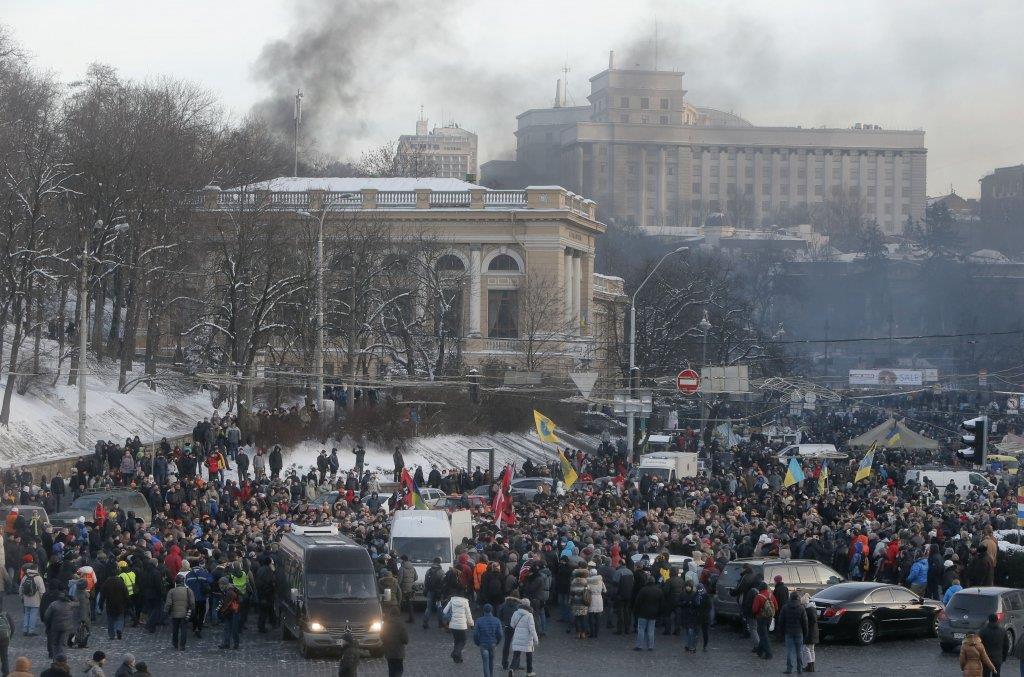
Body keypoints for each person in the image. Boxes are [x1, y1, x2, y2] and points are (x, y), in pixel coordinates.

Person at [779, 591, 808, 674]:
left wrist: (781, 632)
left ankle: (789, 669)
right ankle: (800, 669)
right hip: (799, 632)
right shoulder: (801, 608)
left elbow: (781, 621)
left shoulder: (785, 607)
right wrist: (805, 633)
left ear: (790, 598)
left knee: (789, 651)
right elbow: (805, 622)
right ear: (798, 598)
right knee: (799, 651)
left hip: (788, 632)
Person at [164, 572, 195, 650]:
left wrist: (166, 612)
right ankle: (182, 645)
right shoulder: (189, 591)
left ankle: (175, 643)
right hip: (185, 613)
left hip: (175, 614)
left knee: (175, 629)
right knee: (184, 629)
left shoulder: (171, 591)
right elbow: (192, 603)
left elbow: (168, 603)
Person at [633, 573, 663, 651]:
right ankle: (650, 646)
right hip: (653, 613)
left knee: (641, 629)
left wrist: (635, 611)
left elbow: (638, 602)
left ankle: (639, 645)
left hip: (642, 612)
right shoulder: (658, 591)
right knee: (651, 630)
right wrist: (659, 613)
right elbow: (661, 603)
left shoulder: (643, 590)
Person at [509, 598, 538, 676]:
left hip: (517, 637)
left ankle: (512, 668)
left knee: (516, 654)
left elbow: (512, 625)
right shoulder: (529, 615)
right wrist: (536, 639)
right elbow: (532, 629)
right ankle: (529, 672)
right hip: (527, 639)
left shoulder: (515, 613)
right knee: (529, 655)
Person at [473, 602, 503, 677]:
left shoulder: (479, 620)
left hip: (483, 644)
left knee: (485, 662)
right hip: (493, 643)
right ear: (491, 610)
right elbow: (500, 634)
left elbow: (476, 634)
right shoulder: (497, 620)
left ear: (483, 610)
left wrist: (477, 643)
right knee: (491, 662)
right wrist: (497, 642)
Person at [42, 591, 75, 660]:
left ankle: (55, 659)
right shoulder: (70, 605)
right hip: (66, 627)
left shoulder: (53, 604)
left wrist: (48, 624)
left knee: (55, 643)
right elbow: (78, 603)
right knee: (63, 644)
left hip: (55, 626)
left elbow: (46, 616)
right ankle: (62, 659)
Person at [443, 591, 474, 663]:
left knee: (457, 641)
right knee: (463, 640)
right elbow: (469, 615)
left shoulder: (452, 600)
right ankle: (455, 653)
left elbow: (444, 611)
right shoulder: (465, 602)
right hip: (462, 625)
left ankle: (458, 659)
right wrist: (472, 624)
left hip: (453, 625)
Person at [381, 606, 408, 677]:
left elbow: (381, 636)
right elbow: (406, 640)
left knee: (391, 670)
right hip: (399, 653)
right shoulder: (401, 624)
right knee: (399, 670)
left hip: (389, 652)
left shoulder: (385, 624)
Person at [752, 581, 777, 660]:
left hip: (761, 617)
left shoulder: (758, 596)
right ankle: (760, 651)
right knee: (764, 634)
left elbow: (754, 609)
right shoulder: (771, 595)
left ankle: (769, 654)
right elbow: (776, 607)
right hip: (769, 617)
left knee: (763, 636)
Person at [20, 562, 44, 636]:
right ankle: (31, 631)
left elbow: (21, 588)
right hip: (35, 600)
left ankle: (25, 629)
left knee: (26, 614)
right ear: (36, 569)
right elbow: (42, 591)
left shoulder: (25, 577)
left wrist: (22, 597)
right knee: (33, 615)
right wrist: (42, 599)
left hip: (26, 599)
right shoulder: (38, 578)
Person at [801, 593, 819, 673]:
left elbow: (809, 621)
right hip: (814, 632)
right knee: (811, 649)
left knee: (806, 649)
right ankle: (812, 665)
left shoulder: (808, 610)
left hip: (810, 632)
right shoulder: (813, 608)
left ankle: (810, 665)